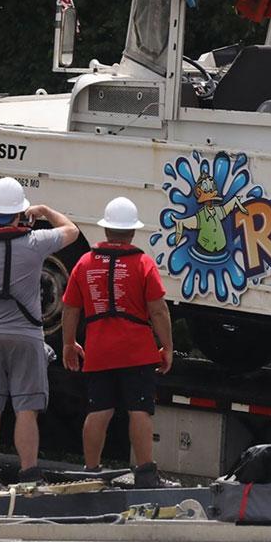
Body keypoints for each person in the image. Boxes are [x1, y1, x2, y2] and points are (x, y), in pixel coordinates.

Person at [0, 177, 79, 489]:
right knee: (26, 408)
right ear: (19, 214)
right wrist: (46, 211)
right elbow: (72, 231)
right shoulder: (35, 244)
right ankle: (28, 475)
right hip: (26, 337)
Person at [60, 197, 174, 488]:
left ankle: (91, 469)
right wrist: (167, 347)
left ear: (107, 229)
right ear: (132, 232)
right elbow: (158, 310)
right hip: (137, 351)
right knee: (139, 409)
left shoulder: (84, 263)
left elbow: (71, 308)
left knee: (99, 409)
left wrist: (69, 343)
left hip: (99, 350)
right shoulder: (143, 263)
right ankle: (145, 473)